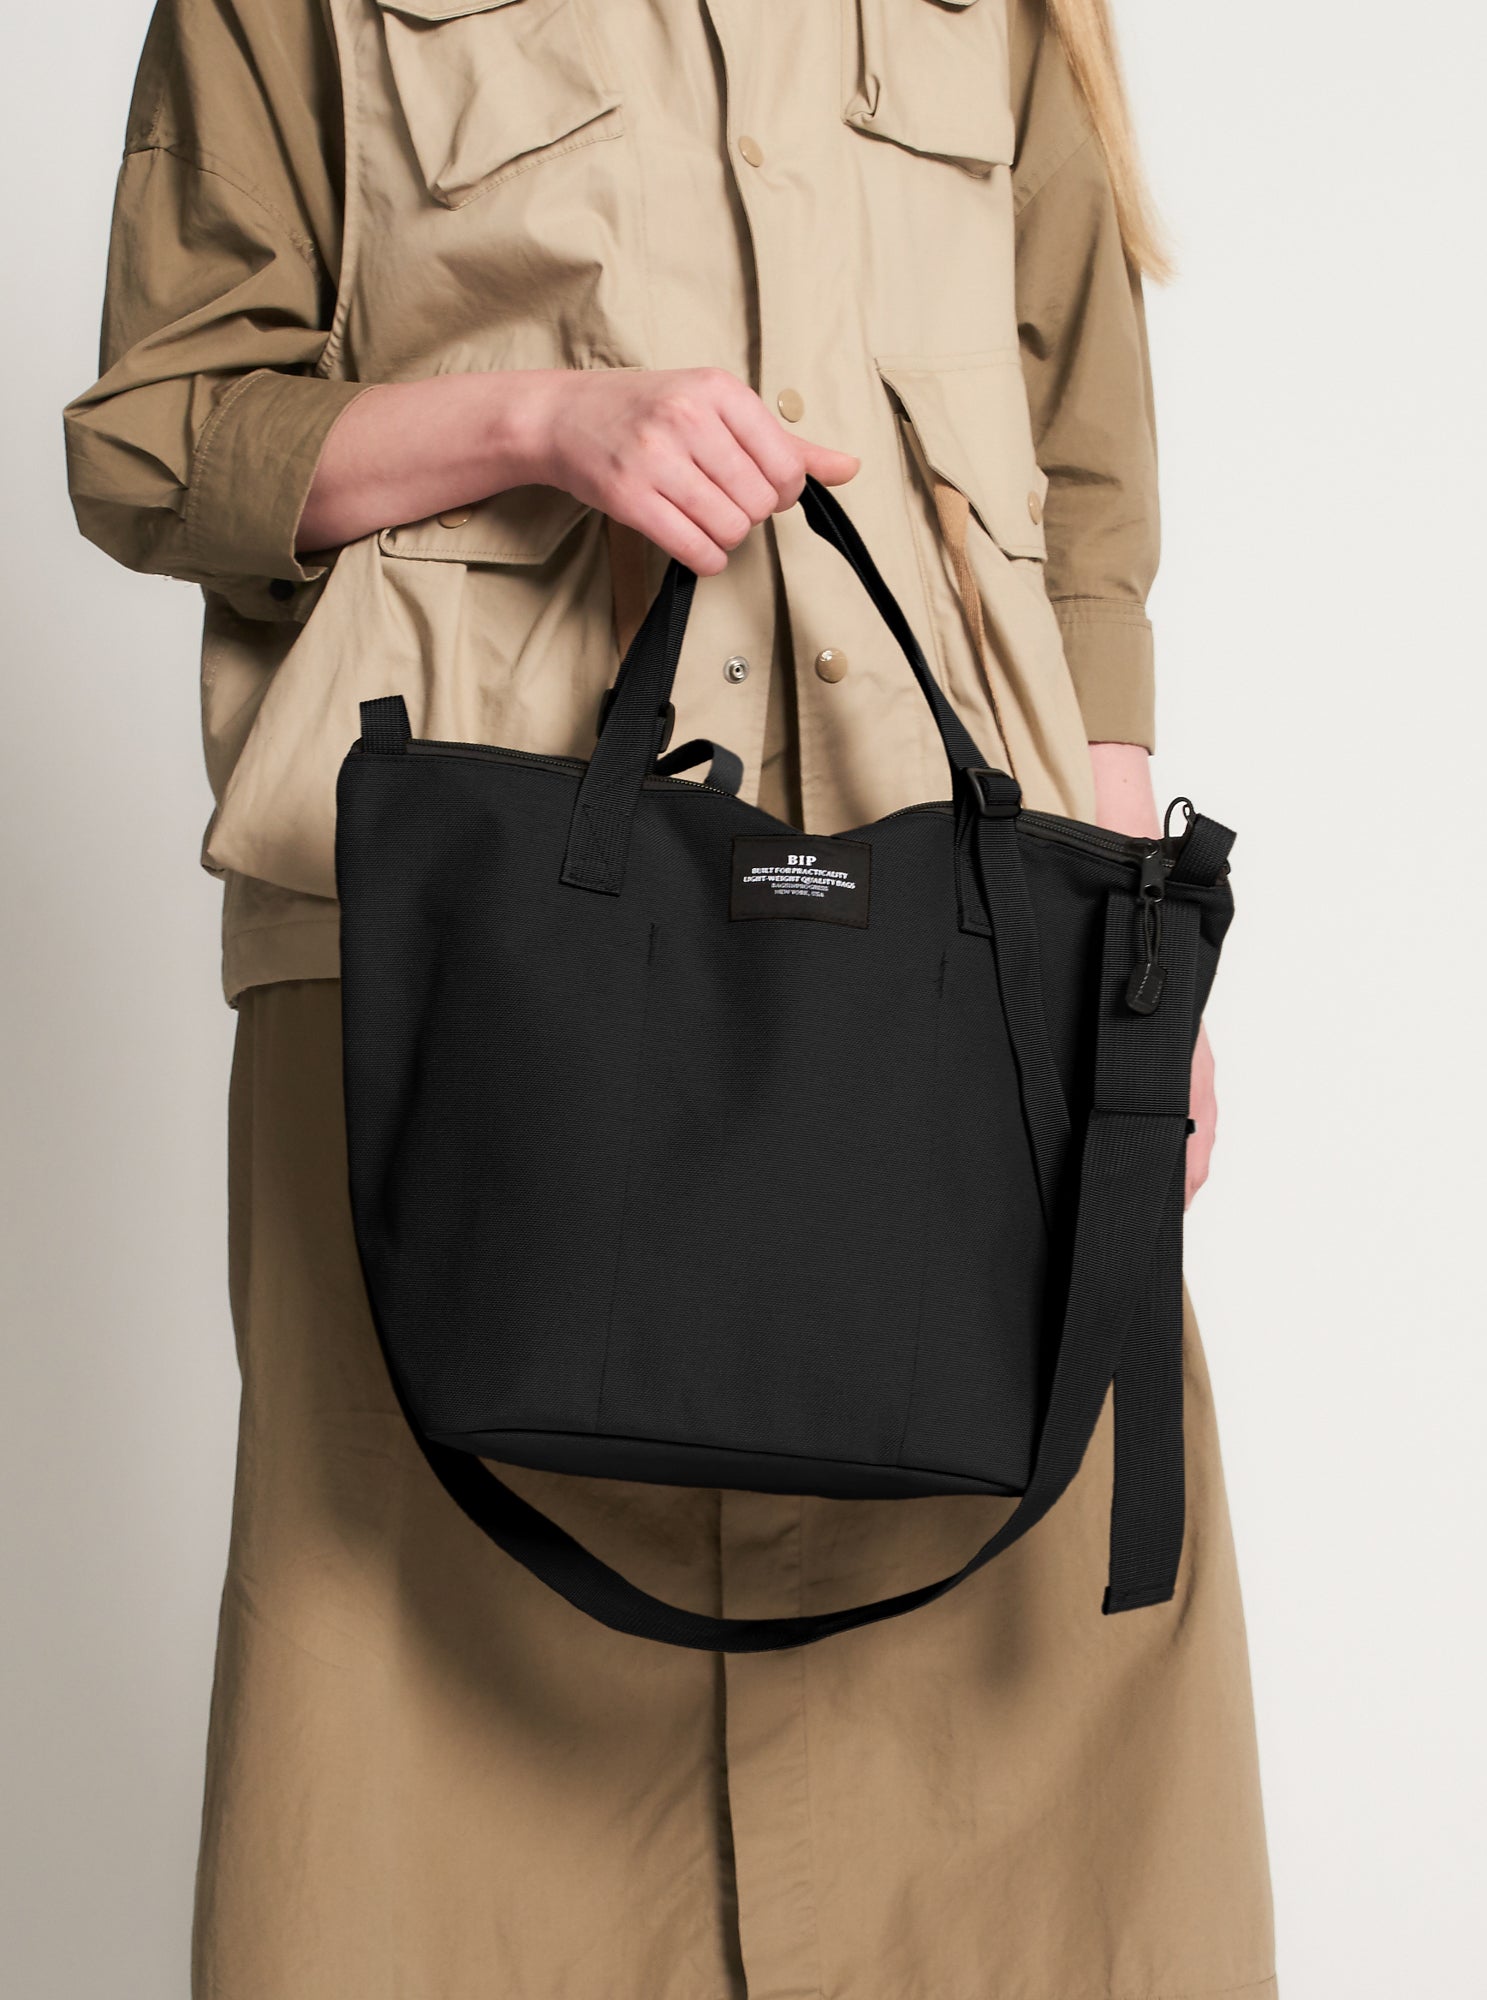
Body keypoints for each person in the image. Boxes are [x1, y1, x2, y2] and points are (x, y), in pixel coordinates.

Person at [63, 1, 1278, 1993]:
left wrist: (1132, 955)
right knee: (410, 1716)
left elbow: (1081, 503)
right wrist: (539, 424)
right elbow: (155, 443)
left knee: (1035, 1700)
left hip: (954, 941)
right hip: (456, 965)